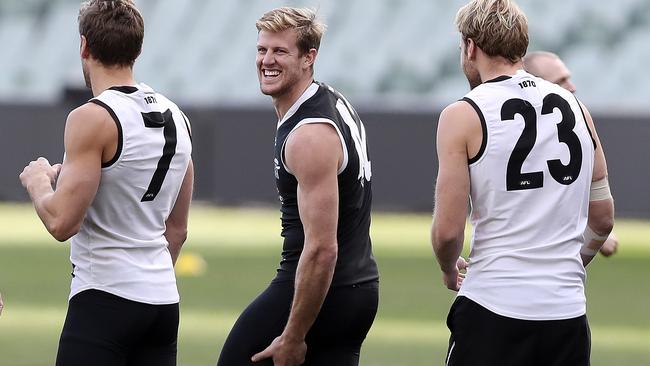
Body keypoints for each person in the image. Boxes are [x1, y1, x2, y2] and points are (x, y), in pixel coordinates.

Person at [430, 0, 614, 365]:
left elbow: (448, 232)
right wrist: (568, 266)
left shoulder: (463, 113)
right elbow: (603, 218)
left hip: (494, 307)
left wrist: (449, 268)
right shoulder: (576, 108)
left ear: (470, 47)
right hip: (566, 313)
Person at [19, 1, 193, 365]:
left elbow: (62, 222)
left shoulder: (91, 117)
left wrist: (38, 182)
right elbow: (177, 231)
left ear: (84, 46)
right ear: (138, 48)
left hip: (105, 298)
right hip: (163, 302)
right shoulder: (177, 116)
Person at [217, 7, 379, 366]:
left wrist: (293, 335)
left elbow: (322, 249)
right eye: (262, 50)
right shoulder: (330, 99)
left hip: (323, 292)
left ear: (309, 57)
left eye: (280, 51)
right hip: (357, 288)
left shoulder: (309, 135)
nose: (266, 61)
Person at [523, 50, 619, 256]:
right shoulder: (527, 138)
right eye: (561, 81)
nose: (572, 87)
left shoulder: (569, 131)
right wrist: (585, 252)